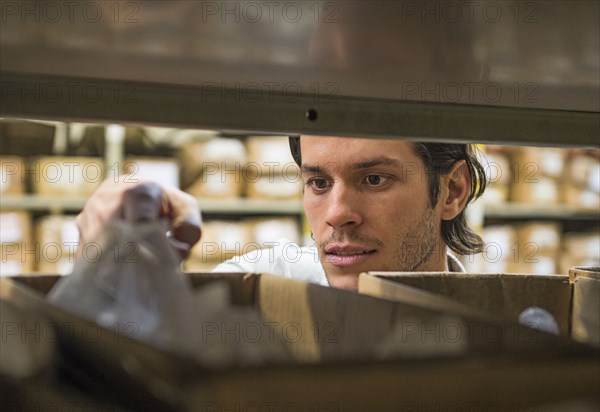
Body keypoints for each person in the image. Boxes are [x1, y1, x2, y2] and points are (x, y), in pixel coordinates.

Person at [76, 135, 488, 291]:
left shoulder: (502, 331)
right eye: (319, 183)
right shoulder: (260, 287)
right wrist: (104, 268)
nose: (337, 214)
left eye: (374, 180)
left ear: (452, 191)